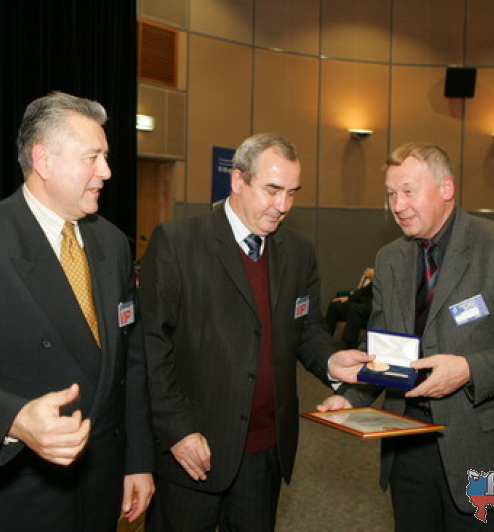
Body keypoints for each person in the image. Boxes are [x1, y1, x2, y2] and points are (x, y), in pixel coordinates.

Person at [0, 92, 155, 531]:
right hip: (16, 493)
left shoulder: (113, 244)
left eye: (105, 157)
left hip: (99, 488)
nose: (107, 171)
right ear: (43, 160)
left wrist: (137, 460)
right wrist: (14, 418)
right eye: (93, 157)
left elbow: (129, 363)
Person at [318, 141, 494, 531]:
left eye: (408, 191)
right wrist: (350, 397)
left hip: (483, 446)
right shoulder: (390, 258)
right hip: (407, 442)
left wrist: (469, 369)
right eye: (391, 194)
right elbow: (385, 345)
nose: (397, 205)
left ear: (446, 188)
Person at [139, 133, 368, 531]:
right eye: (272, 190)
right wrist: (177, 430)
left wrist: (331, 360)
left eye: (292, 193)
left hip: (265, 449)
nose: (283, 206)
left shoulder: (299, 252)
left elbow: (307, 328)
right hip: (193, 447)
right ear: (238, 180)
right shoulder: (178, 242)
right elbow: (151, 346)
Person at [325, 267, 375, 348]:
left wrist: (375, 276)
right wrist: (348, 298)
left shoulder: (388, 276)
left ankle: (349, 344)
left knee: (355, 309)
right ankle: (324, 337)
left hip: (377, 306)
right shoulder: (377, 278)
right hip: (363, 303)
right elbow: (364, 291)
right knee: (335, 305)